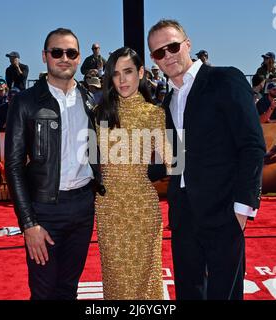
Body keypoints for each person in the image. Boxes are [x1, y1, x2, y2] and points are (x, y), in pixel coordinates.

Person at [147, 19, 266, 300]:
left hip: (225, 209)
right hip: (184, 213)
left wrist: (242, 208)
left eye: (173, 46)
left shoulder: (225, 79)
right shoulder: (168, 102)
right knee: (188, 290)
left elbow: (252, 144)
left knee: (224, 292)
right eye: (158, 53)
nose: (168, 56)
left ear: (187, 44)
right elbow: (171, 159)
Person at [4, 27, 105, 300]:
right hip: (43, 210)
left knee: (68, 289)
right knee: (44, 291)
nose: (64, 58)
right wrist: (28, 223)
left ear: (79, 57)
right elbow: (12, 165)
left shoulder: (90, 100)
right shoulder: (25, 102)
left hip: (83, 208)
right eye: (57, 52)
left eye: (70, 52)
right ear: (44, 56)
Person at [95, 47, 170, 299]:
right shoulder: (99, 113)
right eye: (116, 74)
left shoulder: (155, 113)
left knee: (145, 281)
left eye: (128, 72)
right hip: (108, 208)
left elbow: (174, 161)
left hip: (143, 208)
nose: (122, 80)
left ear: (140, 72)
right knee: (116, 281)